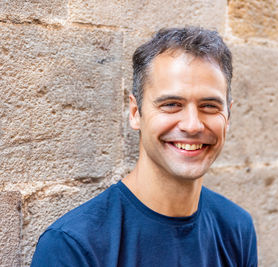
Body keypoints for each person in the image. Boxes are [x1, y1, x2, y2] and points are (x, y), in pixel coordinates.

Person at [31, 27, 258, 267]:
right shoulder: (74, 246)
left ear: (228, 116)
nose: (192, 125)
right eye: (171, 104)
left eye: (210, 106)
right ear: (135, 112)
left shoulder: (237, 227)